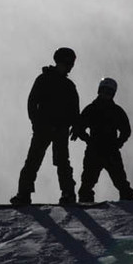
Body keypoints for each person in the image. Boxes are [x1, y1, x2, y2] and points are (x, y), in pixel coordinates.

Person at [10, 47, 80, 205]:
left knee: (61, 162)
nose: (70, 66)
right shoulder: (44, 80)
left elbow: (74, 109)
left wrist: (76, 126)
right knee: (34, 161)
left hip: (60, 129)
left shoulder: (68, 85)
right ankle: (24, 194)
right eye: (68, 63)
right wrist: (36, 123)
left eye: (72, 63)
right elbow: (32, 102)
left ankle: (68, 193)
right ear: (60, 62)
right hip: (44, 128)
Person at [72, 77, 133, 202]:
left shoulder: (116, 111)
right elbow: (80, 127)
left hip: (110, 150)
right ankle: (85, 201)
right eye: (104, 91)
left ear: (112, 94)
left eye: (109, 92)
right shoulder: (91, 109)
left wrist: (118, 143)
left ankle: (128, 200)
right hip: (94, 150)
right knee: (87, 181)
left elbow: (126, 130)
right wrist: (88, 140)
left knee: (120, 180)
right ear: (99, 91)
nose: (106, 94)